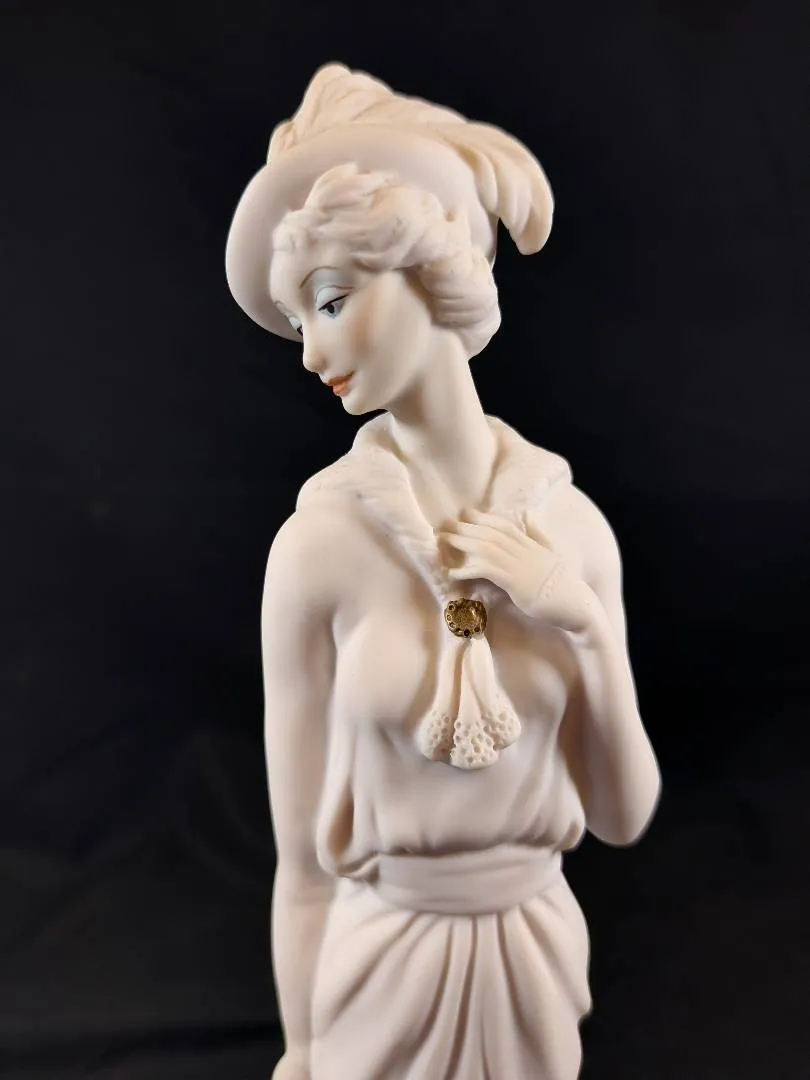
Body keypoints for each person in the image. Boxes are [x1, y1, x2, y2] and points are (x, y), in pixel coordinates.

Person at [225, 62, 661, 1080]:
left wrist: (582, 624)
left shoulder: (572, 529)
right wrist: (302, 1049)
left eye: (330, 302)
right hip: (379, 964)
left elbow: (623, 816)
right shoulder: (318, 549)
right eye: (299, 322)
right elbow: (301, 861)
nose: (311, 353)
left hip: (531, 953)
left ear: (421, 266)